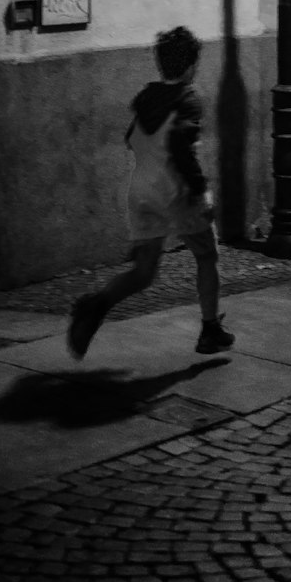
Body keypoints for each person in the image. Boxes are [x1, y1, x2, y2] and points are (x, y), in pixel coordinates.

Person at [67, 25, 235, 360]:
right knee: (206, 255)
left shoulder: (146, 98)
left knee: (143, 273)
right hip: (175, 190)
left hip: (140, 190)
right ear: (190, 65)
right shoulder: (188, 99)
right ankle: (209, 329)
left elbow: (131, 138)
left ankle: (95, 304)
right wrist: (201, 191)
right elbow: (182, 147)